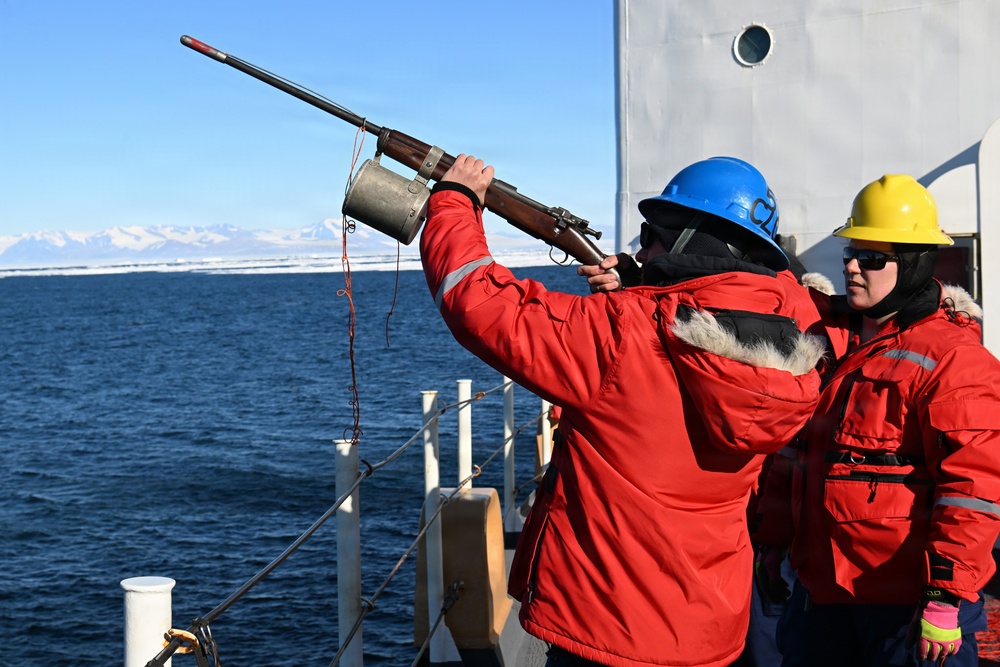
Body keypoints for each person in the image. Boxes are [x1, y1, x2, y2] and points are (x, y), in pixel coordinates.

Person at [420, 153, 825, 667]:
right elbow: (747, 304)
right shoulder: (795, 337)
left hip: (607, 627)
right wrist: (655, 284)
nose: (641, 246)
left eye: (651, 234)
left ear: (687, 239)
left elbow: (477, 301)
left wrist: (456, 201)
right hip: (707, 626)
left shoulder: (623, 332)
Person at [753, 174, 1000, 666]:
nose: (851, 266)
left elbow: (973, 489)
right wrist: (772, 544)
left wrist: (945, 596)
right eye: (850, 252)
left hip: (908, 613)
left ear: (912, 266)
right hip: (819, 599)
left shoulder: (956, 362)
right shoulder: (830, 345)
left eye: (871, 258)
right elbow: (795, 458)